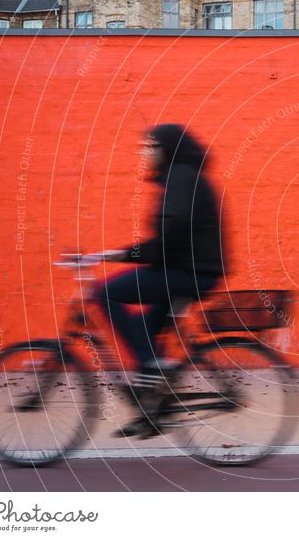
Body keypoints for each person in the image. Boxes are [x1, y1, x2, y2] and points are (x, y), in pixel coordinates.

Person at [95, 124, 226, 436]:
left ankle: (153, 366)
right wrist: (119, 254)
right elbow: (169, 238)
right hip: (188, 270)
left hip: (190, 273)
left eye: (149, 147)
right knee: (142, 331)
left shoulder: (182, 178)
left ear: (166, 150)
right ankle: (154, 411)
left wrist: (120, 255)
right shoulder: (180, 178)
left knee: (104, 292)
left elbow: (169, 238)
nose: (144, 153)